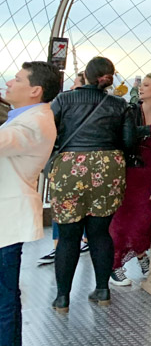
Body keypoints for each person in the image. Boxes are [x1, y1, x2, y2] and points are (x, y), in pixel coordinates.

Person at [48, 56, 135, 311]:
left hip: (70, 168)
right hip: (108, 168)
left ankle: (63, 297)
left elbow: (48, 133)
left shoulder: (63, 100)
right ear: (110, 78)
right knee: (99, 232)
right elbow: (128, 143)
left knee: (68, 236)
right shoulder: (120, 105)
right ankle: (102, 289)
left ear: (85, 75)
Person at [1, 61, 60, 346]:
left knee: (4, 303)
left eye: (18, 79)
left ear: (35, 90)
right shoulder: (24, 118)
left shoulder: (34, 123)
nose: (10, 82)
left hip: (5, 225)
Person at [110, 73, 151, 286]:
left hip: (149, 174)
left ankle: (141, 254)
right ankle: (115, 266)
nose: (140, 88)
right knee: (122, 221)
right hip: (130, 172)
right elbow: (124, 136)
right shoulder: (133, 112)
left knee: (143, 220)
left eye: (146, 85)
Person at [36, 71, 89, 267]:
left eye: (75, 84)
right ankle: (85, 240)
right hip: (89, 166)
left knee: (61, 205)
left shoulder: (64, 104)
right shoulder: (101, 108)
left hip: (65, 163)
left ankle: (59, 246)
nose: (72, 88)